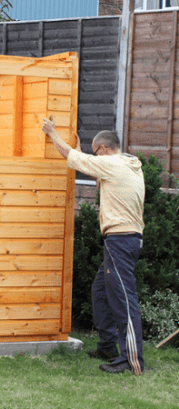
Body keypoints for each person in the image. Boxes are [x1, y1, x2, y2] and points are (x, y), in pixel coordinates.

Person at [41, 118, 145, 375]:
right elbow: (87, 164)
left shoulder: (112, 164)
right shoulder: (128, 165)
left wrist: (52, 133)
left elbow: (71, 157)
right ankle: (108, 347)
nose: (96, 158)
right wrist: (80, 153)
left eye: (95, 152)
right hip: (124, 240)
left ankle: (133, 361)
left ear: (103, 149)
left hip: (120, 241)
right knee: (100, 291)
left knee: (124, 299)